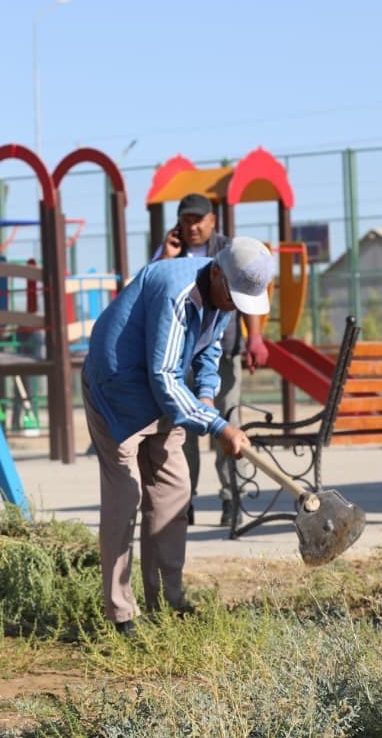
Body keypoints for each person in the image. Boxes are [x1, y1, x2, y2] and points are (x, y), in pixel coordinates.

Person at [83, 236, 272, 635]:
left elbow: (209, 351)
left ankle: (166, 600)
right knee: (125, 498)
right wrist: (218, 426)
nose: (236, 307)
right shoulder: (177, 290)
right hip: (118, 393)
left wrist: (205, 397)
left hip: (165, 398)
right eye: (235, 296)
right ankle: (121, 614)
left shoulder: (223, 297)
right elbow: (164, 375)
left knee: (173, 491)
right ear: (216, 271)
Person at [154, 192, 270, 526]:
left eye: (197, 219)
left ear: (212, 220)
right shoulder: (170, 252)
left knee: (228, 426)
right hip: (177, 361)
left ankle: (233, 499)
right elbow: (154, 288)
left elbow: (250, 296)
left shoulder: (230, 252)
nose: (191, 226)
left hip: (223, 352)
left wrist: (255, 338)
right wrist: (166, 255)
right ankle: (183, 501)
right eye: (185, 219)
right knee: (183, 433)